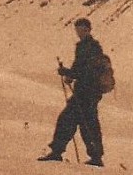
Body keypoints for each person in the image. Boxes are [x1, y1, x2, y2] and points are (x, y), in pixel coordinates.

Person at [37, 17, 105, 167]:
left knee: (75, 121)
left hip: (87, 92)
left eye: (80, 29)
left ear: (87, 30)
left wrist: (68, 73)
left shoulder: (89, 47)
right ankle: (93, 156)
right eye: (77, 29)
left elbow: (84, 71)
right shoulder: (87, 46)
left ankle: (60, 152)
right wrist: (70, 74)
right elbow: (80, 70)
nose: (78, 32)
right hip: (88, 92)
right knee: (82, 122)